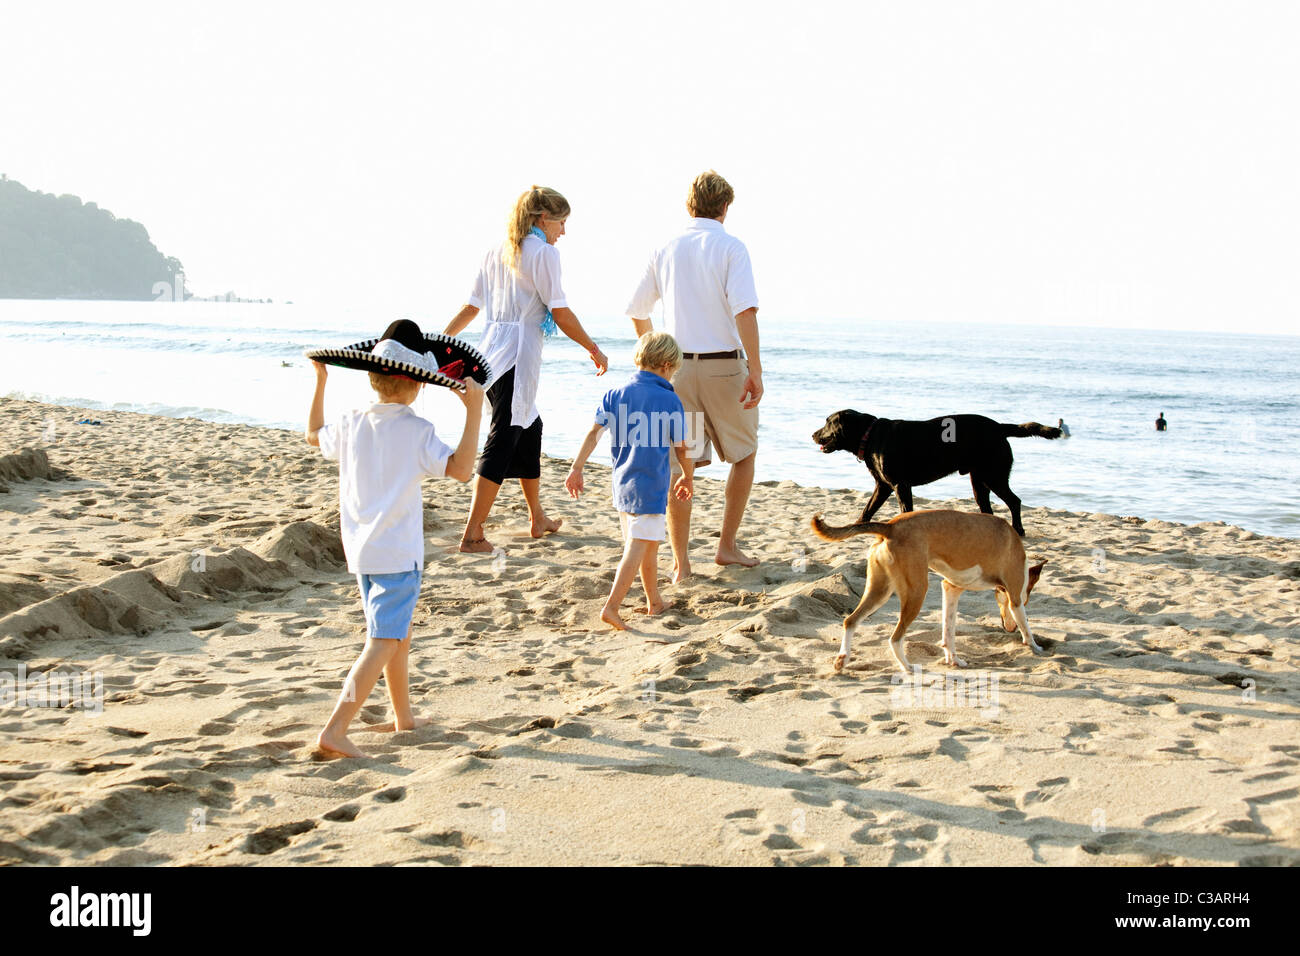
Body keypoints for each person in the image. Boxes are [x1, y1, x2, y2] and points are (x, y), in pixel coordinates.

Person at [306, 320, 484, 759]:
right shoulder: (415, 430)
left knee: (395, 633)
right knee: (384, 639)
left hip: (361, 551)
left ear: (373, 377)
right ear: (416, 384)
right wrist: (474, 411)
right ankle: (336, 728)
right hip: (399, 554)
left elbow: (313, 436)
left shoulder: (350, 422)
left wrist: (320, 380)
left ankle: (403, 715)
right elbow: (462, 470)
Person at [446, 186, 608, 554]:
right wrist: (593, 348)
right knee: (503, 437)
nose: (563, 232)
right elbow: (561, 313)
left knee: (530, 426)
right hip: (518, 357)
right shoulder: (544, 254)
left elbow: (471, 308)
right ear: (542, 219)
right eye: (561, 222)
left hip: (489, 357)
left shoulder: (495, 250)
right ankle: (473, 534)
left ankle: (537, 517)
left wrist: (441, 342)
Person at [625, 170, 762, 581]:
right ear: (724, 207)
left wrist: (655, 357)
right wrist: (755, 369)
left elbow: (637, 309)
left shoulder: (665, 247)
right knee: (744, 454)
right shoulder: (731, 247)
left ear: (690, 205)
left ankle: (681, 565)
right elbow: (745, 311)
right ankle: (726, 546)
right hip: (723, 367)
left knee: (680, 462)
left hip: (675, 369)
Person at [565, 331, 693, 629]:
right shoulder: (669, 399)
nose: (672, 374)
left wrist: (576, 467)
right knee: (638, 545)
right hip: (650, 485)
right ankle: (611, 607)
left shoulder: (615, 394)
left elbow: (593, 434)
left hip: (622, 484)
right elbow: (683, 445)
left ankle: (654, 601)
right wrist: (687, 475)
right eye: (673, 369)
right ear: (665, 365)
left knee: (647, 544)